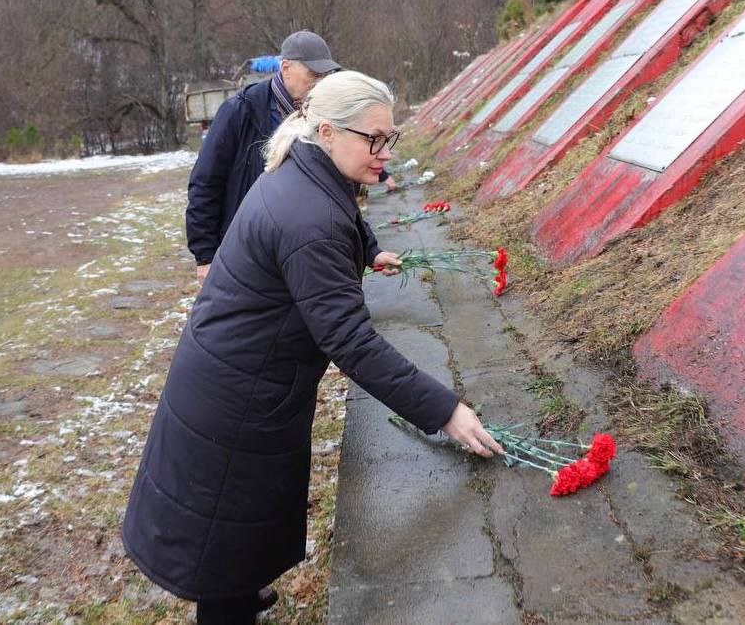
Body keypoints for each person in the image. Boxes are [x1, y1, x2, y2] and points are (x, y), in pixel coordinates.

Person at [123, 71, 502, 623]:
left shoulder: (304, 174)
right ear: (326, 131)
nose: (385, 152)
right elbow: (350, 341)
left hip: (236, 377)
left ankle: (241, 588)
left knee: (235, 529)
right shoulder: (309, 215)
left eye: (389, 137)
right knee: (222, 539)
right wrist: (445, 411)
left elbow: (342, 230)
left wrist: (367, 251)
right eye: (373, 138)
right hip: (238, 398)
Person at [186, 32, 393, 282]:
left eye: (325, 77)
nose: (321, 84)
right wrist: (205, 256)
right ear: (286, 68)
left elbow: (338, 193)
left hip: (298, 248)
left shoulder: (319, 116)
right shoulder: (240, 111)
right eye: (314, 76)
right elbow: (205, 183)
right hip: (245, 250)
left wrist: (370, 251)